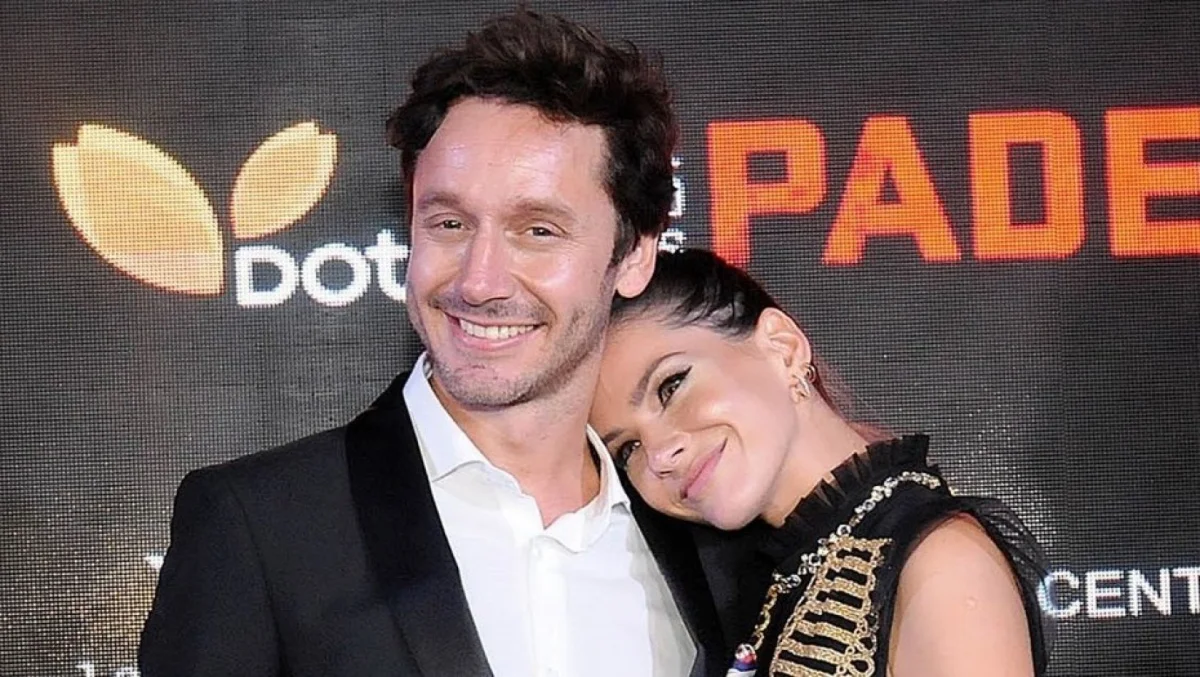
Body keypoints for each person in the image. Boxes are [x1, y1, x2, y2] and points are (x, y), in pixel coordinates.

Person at [140, 11, 731, 677]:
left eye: (537, 231)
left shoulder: (705, 543)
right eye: (449, 223)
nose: (478, 281)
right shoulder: (261, 529)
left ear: (635, 255)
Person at [590, 248, 1050, 677]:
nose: (659, 454)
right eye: (627, 449)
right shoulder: (770, 589)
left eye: (671, 387)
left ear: (783, 348)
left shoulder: (940, 562)